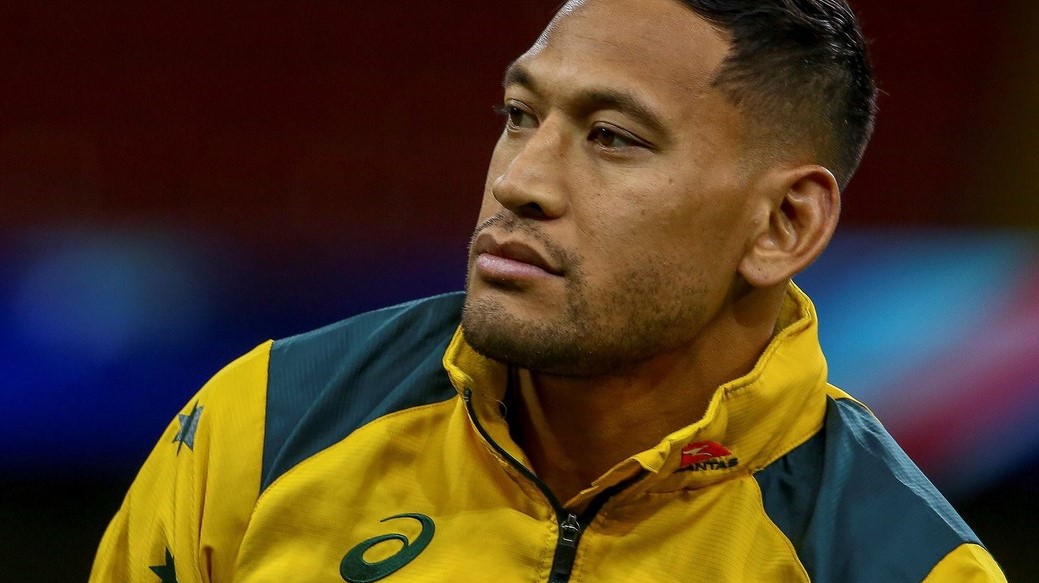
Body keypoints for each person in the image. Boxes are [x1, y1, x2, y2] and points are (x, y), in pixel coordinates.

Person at [90, 0, 1007, 581]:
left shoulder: (902, 562)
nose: (518, 179)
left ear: (782, 225)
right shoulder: (265, 424)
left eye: (612, 137)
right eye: (520, 115)